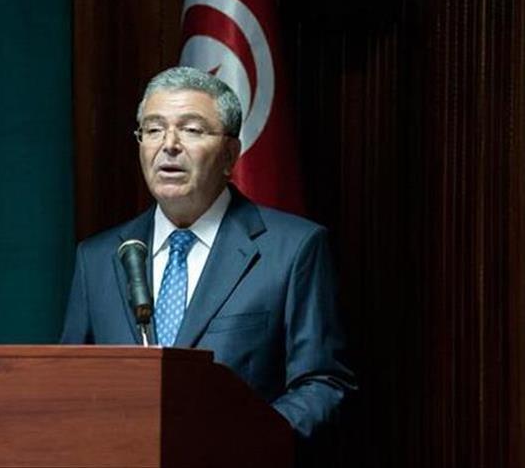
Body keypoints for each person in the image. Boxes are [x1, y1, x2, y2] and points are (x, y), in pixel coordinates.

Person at [61, 66, 354, 439]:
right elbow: (69, 384)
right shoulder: (97, 258)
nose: (169, 144)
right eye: (153, 129)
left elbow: (323, 383)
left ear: (230, 154)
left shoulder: (294, 249)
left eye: (191, 129)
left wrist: (244, 445)